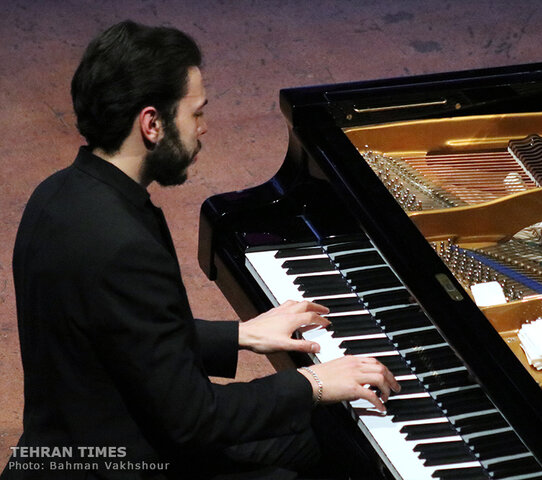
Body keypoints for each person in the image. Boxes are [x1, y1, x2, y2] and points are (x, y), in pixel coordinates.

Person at [2, 20, 398, 480]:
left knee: (321, 432)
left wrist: (239, 335)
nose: (204, 129)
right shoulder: (123, 244)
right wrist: (313, 381)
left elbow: (121, 332)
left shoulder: (57, 195)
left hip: (73, 448)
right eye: (195, 114)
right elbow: (193, 420)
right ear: (152, 124)